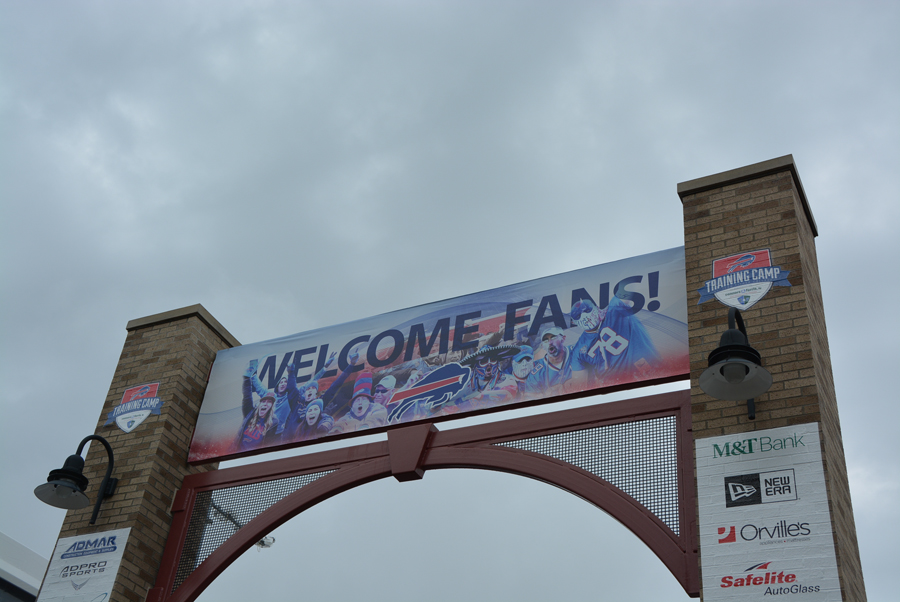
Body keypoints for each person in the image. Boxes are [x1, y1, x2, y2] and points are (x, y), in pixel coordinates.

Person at [569, 296, 661, 389]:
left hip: (640, 373)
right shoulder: (578, 351)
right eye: (578, 315)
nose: (584, 315)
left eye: (587, 310)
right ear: (573, 322)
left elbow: (578, 387)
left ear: (597, 307)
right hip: (620, 384)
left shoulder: (614, 309)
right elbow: (579, 387)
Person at [450, 344, 519, 412]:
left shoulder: (507, 379)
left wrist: (479, 396)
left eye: (493, 360)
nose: (489, 365)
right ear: (476, 365)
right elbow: (451, 406)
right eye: (484, 361)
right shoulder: (466, 386)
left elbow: (508, 395)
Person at [235, 366, 280, 452]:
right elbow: (247, 396)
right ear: (259, 404)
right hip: (237, 454)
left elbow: (269, 444)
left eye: (269, 402)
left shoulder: (273, 423)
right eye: (263, 401)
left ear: (271, 407)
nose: (265, 404)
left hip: (254, 457)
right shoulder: (250, 412)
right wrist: (247, 378)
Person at [526, 327, 574, 396]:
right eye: (545, 340)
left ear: (563, 338)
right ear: (542, 346)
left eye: (553, 338)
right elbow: (529, 397)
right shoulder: (537, 372)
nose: (550, 342)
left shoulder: (576, 353)